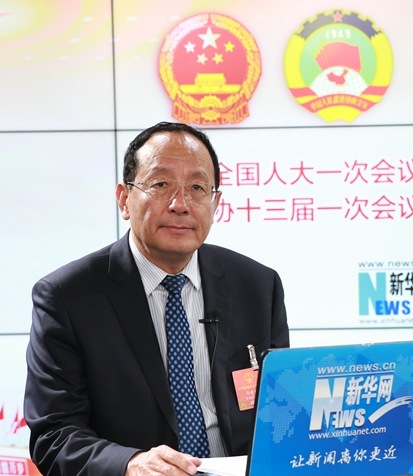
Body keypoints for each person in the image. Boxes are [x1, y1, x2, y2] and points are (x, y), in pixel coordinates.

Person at [24, 122, 289, 475]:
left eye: (197, 188)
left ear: (216, 203)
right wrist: (130, 464)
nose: (180, 205)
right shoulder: (67, 297)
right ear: (124, 199)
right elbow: (54, 435)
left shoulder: (257, 285)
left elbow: (279, 411)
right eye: (161, 184)